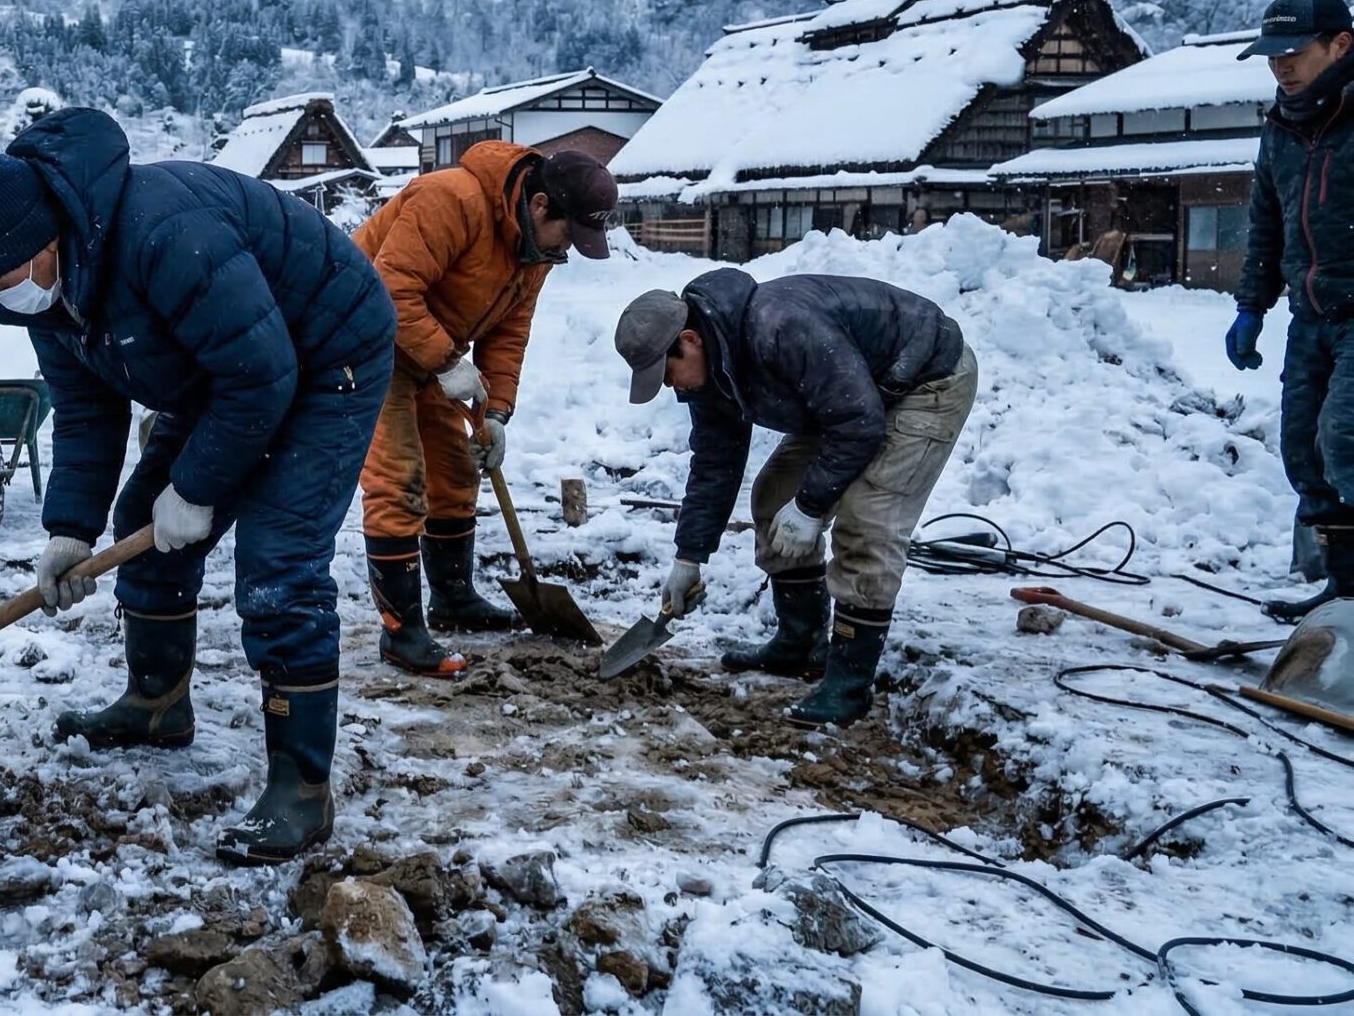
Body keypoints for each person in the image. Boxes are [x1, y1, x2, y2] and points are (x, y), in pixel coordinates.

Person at [0, 107, 395, 864]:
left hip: (326, 353)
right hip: (234, 370)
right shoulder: (54, 297)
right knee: (140, 525)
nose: (3, 290)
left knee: (278, 559)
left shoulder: (161, 232)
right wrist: (67, 530)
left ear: (42, 235)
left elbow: (263, 373)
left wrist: (201, 485)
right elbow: (85, 412)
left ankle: (301, 789)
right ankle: (157, 703)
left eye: (7, 272)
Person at [614, 269, 977, 726]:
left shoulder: (781, 328)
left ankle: (848, 684)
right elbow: (714, 462)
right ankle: (801, 643)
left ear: (690, 339)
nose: (671, 387)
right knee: (773, 496)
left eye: (666, 373)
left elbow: (860, 424)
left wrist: (811, 506)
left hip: (925, 380)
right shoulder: (710, 370)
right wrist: (689, 556)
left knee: (867, 522)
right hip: (853, 397)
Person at [351, 143, 619, 676]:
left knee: (455, 468)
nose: (566, 251)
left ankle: (452, 597)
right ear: (540, 205)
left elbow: (508, 334)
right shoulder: (450, 200)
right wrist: (448, 360)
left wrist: (495, 412)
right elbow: (389, 289)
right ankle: (400, 635)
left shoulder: (535, 251)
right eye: (568, 234)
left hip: (431, 351)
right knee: (399, 480)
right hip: (362, 339)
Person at [1227, 0, 1354, 621]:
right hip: (1312, 316)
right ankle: (1344, 587)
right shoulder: (1281, 126)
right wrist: (1252, 306)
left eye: (1293, 52)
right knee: (1303, 448)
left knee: (1348, 439)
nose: (1280, 64)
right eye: (1271, 54)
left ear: (1340, 45)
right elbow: (1267, 222)